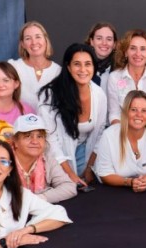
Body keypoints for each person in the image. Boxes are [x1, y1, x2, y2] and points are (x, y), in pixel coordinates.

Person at [38, 43, 108, 186]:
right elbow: (50, 139)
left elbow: (100, 133)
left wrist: (89, 169)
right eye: (77, 64)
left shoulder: (99, 94)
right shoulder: (49, 95)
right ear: (68, 67)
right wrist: (69, 173)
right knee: (64, 186)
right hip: (54, 154)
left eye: (88, 64)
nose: (83, 70)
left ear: (93, 67)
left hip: (85, 153)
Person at [93, 91, 146, 191]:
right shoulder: (109, 135)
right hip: (114, 191)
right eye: (133, 110)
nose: (139, 115)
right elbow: (104, 174)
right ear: (125, 112)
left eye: (144, 110)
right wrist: (130, 182)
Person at [9, 114, 76, 203]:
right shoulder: (4, 161)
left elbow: (69, 187)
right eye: (28, 136)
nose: (35, 141)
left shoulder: (48, 159)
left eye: (40, 136)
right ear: (15, 142)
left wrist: (40, 198)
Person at [106, 30, 146, 127]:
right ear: (125, 52)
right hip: (122, 133)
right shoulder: (114, 77)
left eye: (143, 49)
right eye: (133, 48)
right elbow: (114, 114)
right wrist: (123, 137)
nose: (138, 53)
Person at [8, 21, 61, 109]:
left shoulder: (58, 72)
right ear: (23, 44)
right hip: (19, 121)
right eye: (28, 38)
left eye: (38, 37)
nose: (34, 42)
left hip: (49, 122)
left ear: (45, 40)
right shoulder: (14, 67)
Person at [85, 22, 118, 87]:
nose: (104, 43)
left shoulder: (120, 69)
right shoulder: (82, 67)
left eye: (109, 39)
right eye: (99, 38)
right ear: (91, 41)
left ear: (114, 44)